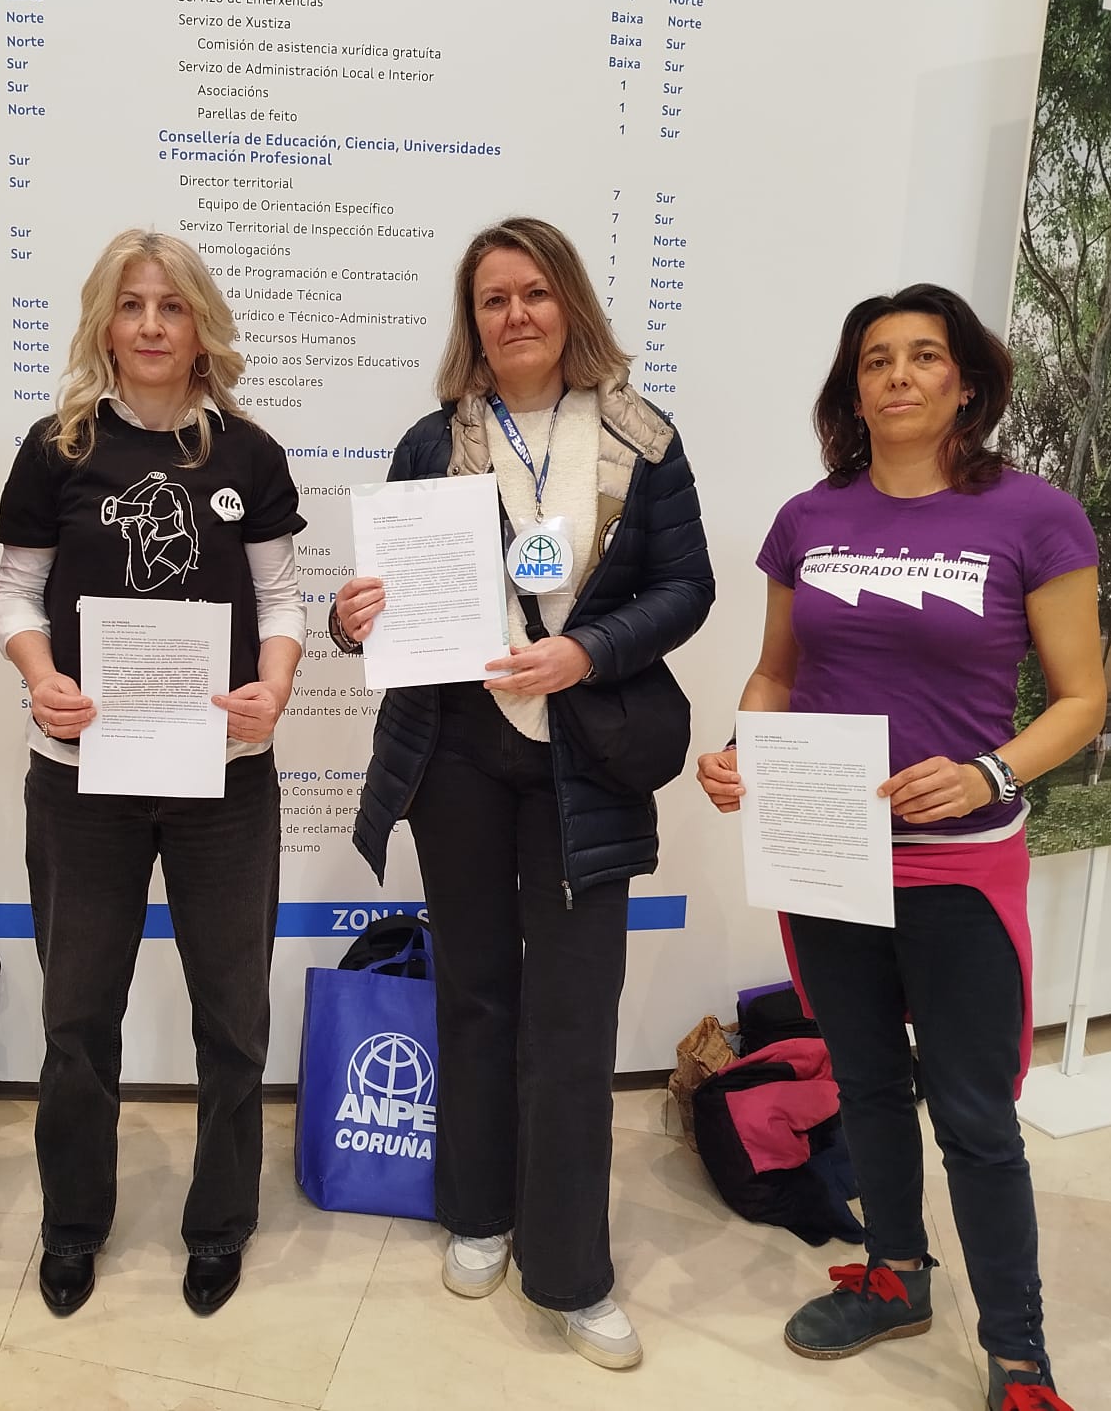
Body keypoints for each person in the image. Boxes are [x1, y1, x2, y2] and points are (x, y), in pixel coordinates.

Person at [694, 284, 1105, 1411]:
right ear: (853, 388)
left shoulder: (1035, 517)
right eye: (876, 359)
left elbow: (1082, 700)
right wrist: (741, 751)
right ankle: (894, 1276)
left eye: (925, 356)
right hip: (826, 848)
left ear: (965, 383)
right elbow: (775, 673)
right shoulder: (808, 518)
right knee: (867, 1080)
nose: (898, 376)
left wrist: (985, 773)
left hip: (957, 861)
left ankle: (1017, 1355)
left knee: (974, 1115)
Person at [329, 218, 714, 1369]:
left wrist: (586, 650)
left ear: (569, 304)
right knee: (475, 995)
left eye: (533, 293)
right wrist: (355, 619)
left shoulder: (640, 436)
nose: (514, 315)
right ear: (472, 320)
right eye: (491, 299)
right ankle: (477, 1212)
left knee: (572, 1017)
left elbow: (686, 587)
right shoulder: (430, 440)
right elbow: (389, 602)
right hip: (454, 753)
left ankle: (571, 1271)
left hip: (582, 758)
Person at [0, 229, 305, 1319]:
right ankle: (72, 1223)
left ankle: (219, 1223)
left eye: (172, 306)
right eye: (131, 305)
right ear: (105, 322)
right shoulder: (57, 450)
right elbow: (15, 594)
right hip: (82, 776)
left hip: (227, 775)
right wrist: (41, 678)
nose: (152, 325)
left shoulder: (248, 456)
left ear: (200, 323)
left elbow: (281, 601)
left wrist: (273, 687)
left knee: (233, 1016)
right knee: (78, 1016)